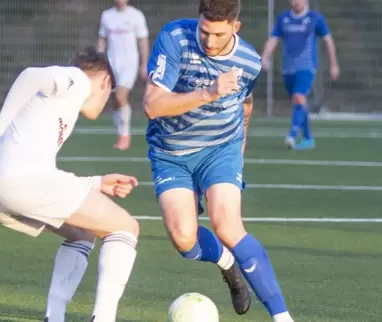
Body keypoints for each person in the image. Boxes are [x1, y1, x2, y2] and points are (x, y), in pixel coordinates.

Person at [0, 46, 139, 322]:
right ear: (104, 82)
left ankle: (54, 318)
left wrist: (97, 183)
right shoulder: (77, 81)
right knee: (126, 226)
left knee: (83, 233)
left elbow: (42, 174)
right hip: (17, 182)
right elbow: (31, 74)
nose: (105, 103)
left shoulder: (52, 105)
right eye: (109, 93)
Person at [143, 0, 295, 321]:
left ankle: (282, 317)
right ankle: (227, 264)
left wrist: (240, 147)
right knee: (185, 240)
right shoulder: (174, 38)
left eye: (218, 34)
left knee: (227, 225)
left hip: (220, 148)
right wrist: (209, 92)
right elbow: (153, 106)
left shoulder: (249, 62)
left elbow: (246, 103)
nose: (209, 42)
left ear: (235, 27)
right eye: (204, 31)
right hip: (171, 152)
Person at [261, 0, 339, 150]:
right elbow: (273, 39)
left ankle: (292, 135)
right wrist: (265, 57)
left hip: (307, 67)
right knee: (299, 103)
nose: (295, 2)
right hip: (288, 69)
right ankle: (308, 138)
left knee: (299, 97)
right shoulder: (283, 18)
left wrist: (333, 64)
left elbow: (328, 41)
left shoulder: (315, 18)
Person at [97, 0, 149, 150]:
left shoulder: (136, 15)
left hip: (129, 63)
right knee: (114, 99)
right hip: (111, 63)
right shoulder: (106, 16)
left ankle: (125, 135)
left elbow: (143, 41)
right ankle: (120, 132)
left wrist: (144, 64)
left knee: (121, 96)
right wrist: (99, 62)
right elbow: (102, 40)